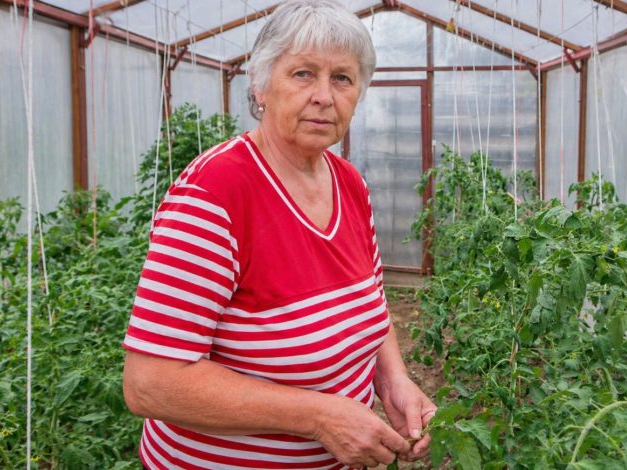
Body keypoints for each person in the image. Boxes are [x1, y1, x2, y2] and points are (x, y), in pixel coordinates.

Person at [121, 1, 436, 468]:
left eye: (343, 79)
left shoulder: (349, 184)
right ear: (261, 85)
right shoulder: (216, 193)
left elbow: (370, 299)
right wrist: (317, 416)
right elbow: (150, 382)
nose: (324, 96)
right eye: (303, 74)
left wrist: (393, 381)